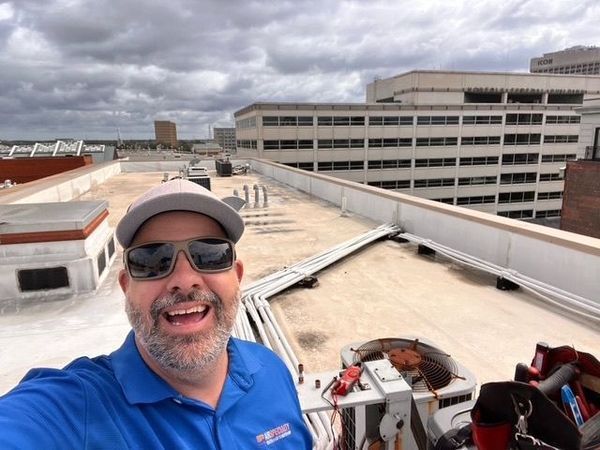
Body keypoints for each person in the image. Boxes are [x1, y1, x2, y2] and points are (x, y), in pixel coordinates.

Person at [0, 179, 313, 449]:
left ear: (238, 275)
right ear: (126, 287)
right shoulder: (75, 408)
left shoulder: (272, 370)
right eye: (152, 259)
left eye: (209, 253)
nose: (184, 279)